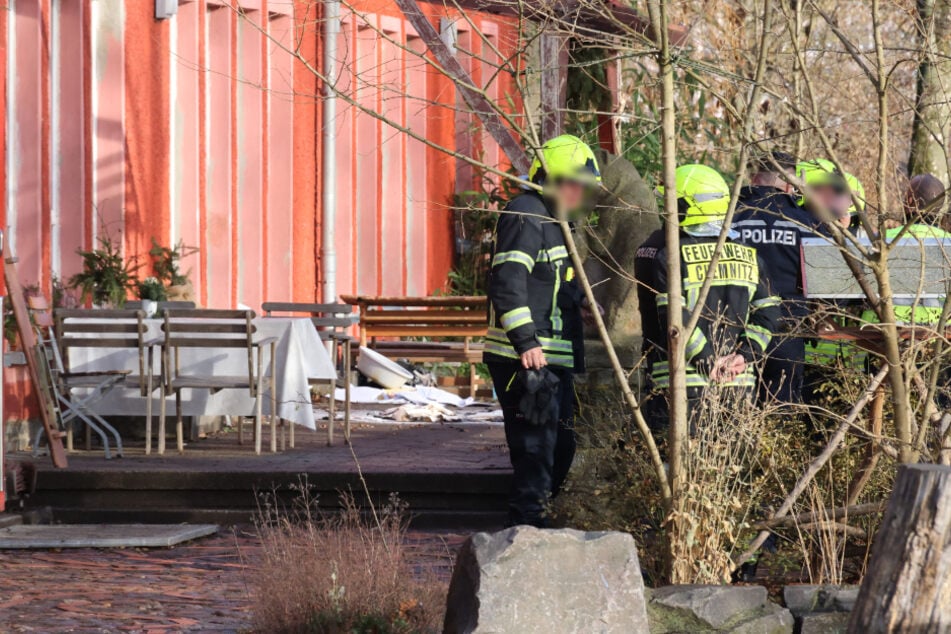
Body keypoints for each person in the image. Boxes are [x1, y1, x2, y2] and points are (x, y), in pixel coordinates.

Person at [484, 134, 600, 527]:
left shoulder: (554, 221)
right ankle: (525, 538)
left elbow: (547, 280)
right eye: (574, 184)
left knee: (560, 450)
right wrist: (526, 342)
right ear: (551, 178)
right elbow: (508, 281)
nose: (579, 194)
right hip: (527, 362)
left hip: (551, 359)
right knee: (535, 455)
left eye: (584, 188)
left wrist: (579, 301)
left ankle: (537, 530)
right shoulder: (526, 213)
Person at [637, 164, 780, 430]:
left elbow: (674, 318)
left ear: (686, 207)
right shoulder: (750, 255)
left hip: (683, 384)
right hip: (739, 385)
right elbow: (770, 313)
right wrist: (743, 356)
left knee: (677, 466)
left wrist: (708, 360)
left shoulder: (671, 257)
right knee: (731, 467)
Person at [733, 151, 816, 404]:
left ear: (755, 178)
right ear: (791, 184)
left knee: (734, 409)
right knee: (781, 408)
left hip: (736, 331)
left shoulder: (730, 216)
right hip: (788, 329)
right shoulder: (807, 223)